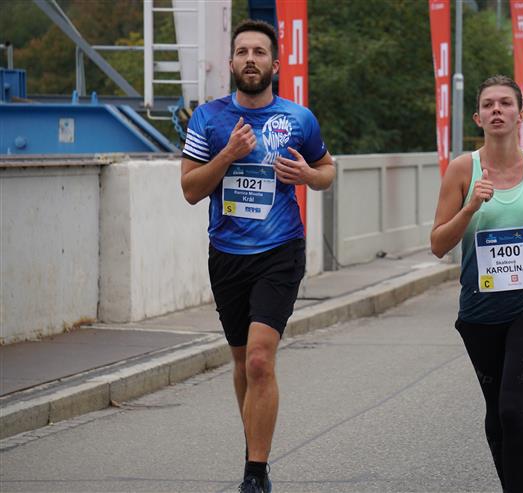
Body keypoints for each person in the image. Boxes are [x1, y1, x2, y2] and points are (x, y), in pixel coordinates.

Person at [180, 19, 335, 493]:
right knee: (241, 360)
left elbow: (328, 171)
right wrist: (227, 154)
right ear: (231, 63)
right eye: (243, 51)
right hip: (227, 255)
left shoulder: (298, 119)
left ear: (275, 64)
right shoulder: (208, 119)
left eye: (260, 52)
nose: (251, 59)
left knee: (260, 361)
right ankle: (257, 454)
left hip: (280, 251)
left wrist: (308, 176)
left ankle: (254, 474)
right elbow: (190, 190)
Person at [430, 75, 523, 493]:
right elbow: (438, 244)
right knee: (497, 412)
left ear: (521, 113)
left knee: (513, 408)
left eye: (506, 103)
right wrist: (470, 207)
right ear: (478, 117)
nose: (497, 110)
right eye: (489, 105)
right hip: (480, 310)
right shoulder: (463, 170)